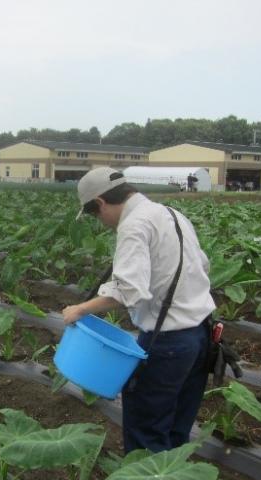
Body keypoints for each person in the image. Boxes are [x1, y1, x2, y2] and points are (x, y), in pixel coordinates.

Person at [62, 167, 215, 456]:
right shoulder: (171, 214)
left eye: (95, 215)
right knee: (176, 429)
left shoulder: (134, 225)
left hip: (167, 343)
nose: (101, 222)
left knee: (147, 429)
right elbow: (202, 266)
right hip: (199, 338)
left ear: (100, 203)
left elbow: (128, 290)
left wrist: (80, 309)